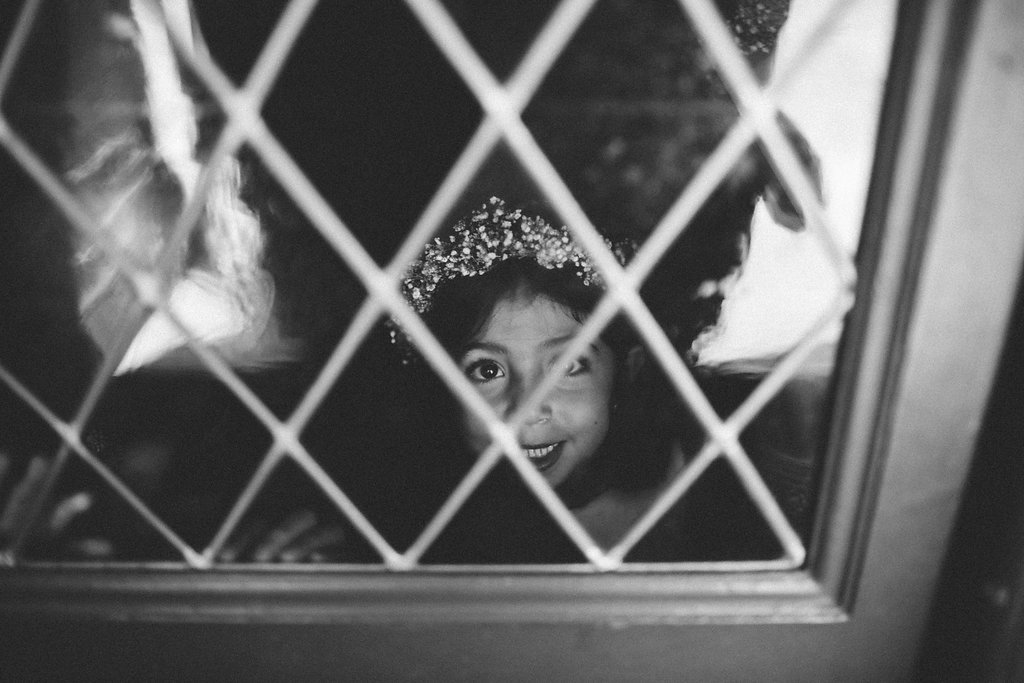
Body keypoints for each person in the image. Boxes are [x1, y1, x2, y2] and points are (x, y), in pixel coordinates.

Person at [389, 196, 783, 564]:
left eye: (568, 366)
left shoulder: (722, 464)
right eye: (487, 370)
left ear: (626, 371)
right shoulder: (442, 538)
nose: (528, 409)